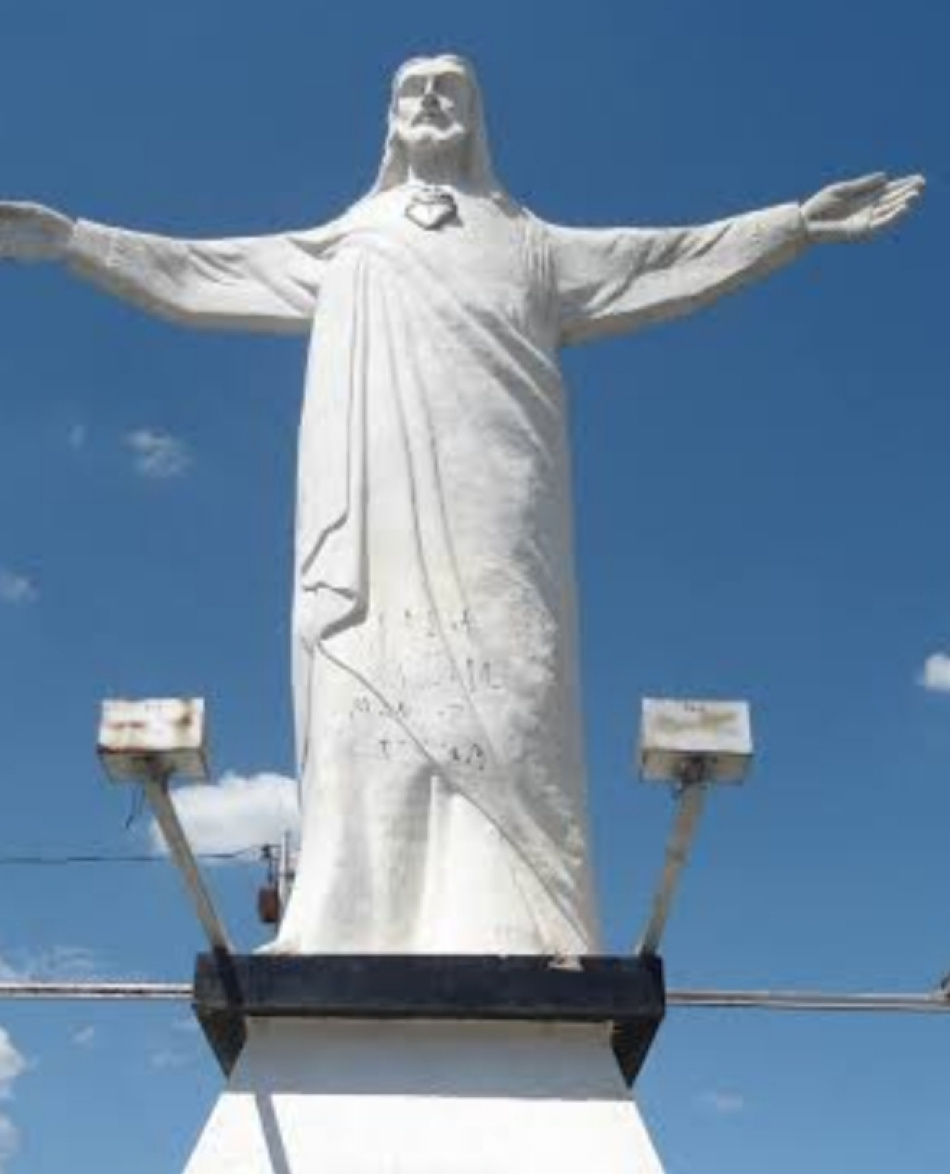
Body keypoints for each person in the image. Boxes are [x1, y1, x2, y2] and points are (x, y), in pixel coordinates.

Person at [0, 54, 924, 955]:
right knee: (360, 691)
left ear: (478, 117)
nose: (431, 101)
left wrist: (795, 227)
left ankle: (519, 917)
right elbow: (199, 274)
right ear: (389, 117)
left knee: (517, 684)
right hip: (367, 515)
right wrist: (77, 243)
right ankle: (349, 915)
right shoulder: (348, 243)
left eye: (450, 89)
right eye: (414, 89)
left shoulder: (532, 244)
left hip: (500, 510)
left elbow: (667, 260)